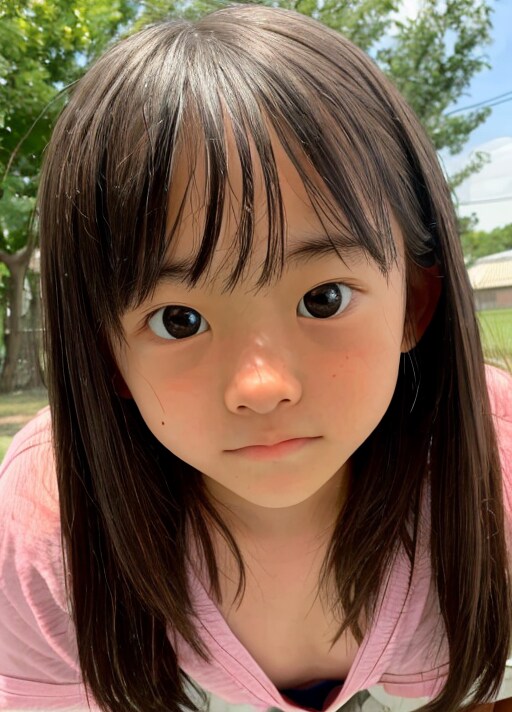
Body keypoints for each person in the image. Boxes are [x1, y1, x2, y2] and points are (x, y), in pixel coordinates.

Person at [1, 4, 511, 711]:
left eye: (324, 299)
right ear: (105, 354)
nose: (261, 386)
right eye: (178, 321)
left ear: (415, 304)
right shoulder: (46, 530)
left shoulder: (497, 466)